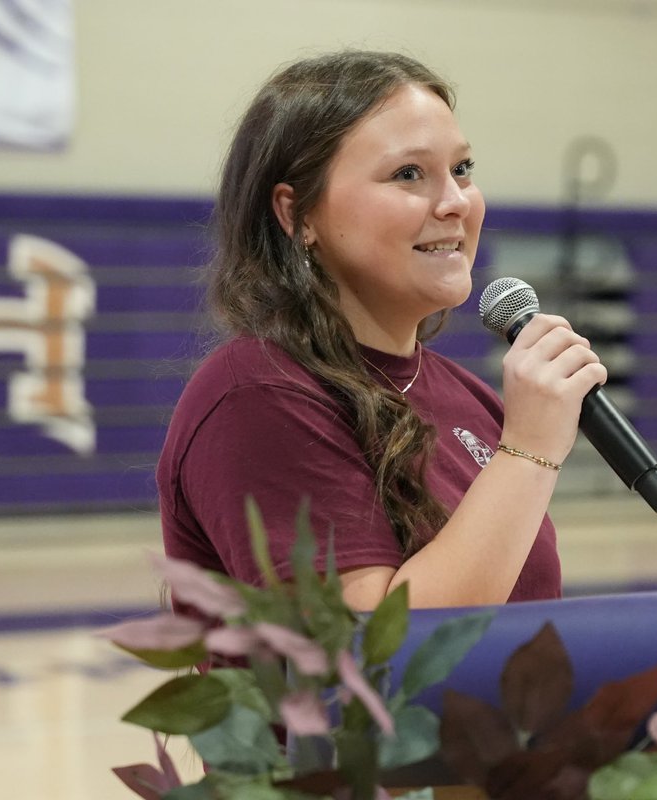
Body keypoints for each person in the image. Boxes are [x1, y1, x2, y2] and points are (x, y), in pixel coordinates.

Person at [157, 50, 606, 612]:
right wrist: (528, 452)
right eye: (409, 174)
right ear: (298, 216)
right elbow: (378, 657)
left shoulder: (468, 398)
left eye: (462, 169)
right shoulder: (257, 395)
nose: (456, 203)